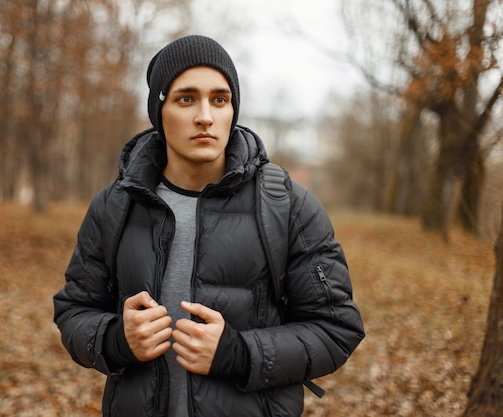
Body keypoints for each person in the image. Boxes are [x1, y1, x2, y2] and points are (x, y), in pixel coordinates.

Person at [53, 34, 365, 417]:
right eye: (187, 98)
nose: (205, 116)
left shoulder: (287, 206)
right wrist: (117, 341)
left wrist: (241, 353)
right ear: (159, 109)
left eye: (220, 99)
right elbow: (74, 311)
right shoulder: (115, 204)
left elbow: (336, 329)